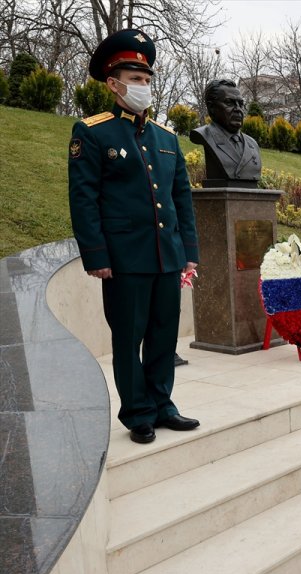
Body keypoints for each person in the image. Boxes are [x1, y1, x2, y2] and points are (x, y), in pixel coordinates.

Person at [69, 29, 200, 444]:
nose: (144, 86)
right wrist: (95, 254)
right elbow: (84, 198)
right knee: (129, 337)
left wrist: (189, 253)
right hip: (124, 258)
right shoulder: (93, 132)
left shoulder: (166, 138)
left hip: (167, 256)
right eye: (135, 79)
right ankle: (138, 413)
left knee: (164, 333)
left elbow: (182, 199)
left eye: (147, 79)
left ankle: (163, 404)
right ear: (113, 83)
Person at [189, 79, 262, 186]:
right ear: (211, 107)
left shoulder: (252, 144)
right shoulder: (205, 135)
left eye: (240, 104)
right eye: (229, 103)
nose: (238, 109)